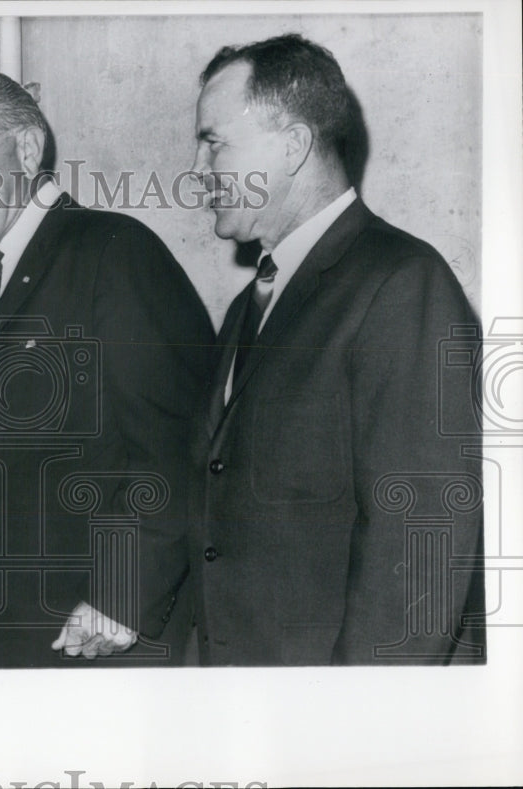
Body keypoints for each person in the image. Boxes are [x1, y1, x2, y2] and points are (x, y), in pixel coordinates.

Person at [175, 34, 485, 665]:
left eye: (215, 142)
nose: (198, 170)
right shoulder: (248, 307)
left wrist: (354, 731)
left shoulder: (401, 282)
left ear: (293, 146)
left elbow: (421, 546)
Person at [0, 70, 216, 666]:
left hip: (94, 635)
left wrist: (122, 597)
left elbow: (179, 445)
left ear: (27, 149)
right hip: (15, 627)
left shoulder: (111, 249)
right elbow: (8, 461)